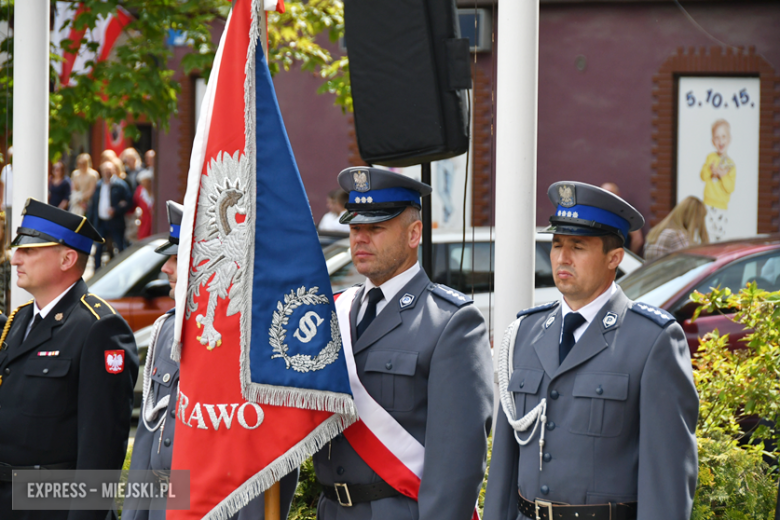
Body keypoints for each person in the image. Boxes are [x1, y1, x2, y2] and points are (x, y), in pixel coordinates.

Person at [483, 181, 699, 520]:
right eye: (556, 244)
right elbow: (503, 468)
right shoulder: (524, 333)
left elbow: (666, 479)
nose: (562, 257)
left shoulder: (652, 340)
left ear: (614, 257)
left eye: (578, 246)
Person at [313, 167, 493, 520]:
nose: (360, 239)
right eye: (355, 228)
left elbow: (459, 463)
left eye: (375, 228)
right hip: (331, 510)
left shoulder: (451, 323)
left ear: (414, 234)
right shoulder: (334, 312)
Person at [123, 201, 298, 520]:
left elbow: (261, 459)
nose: (166, 269)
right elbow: (148, 441)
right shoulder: (167, 330)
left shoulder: (249, 343)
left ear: (206, 263)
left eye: (177, 258)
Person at [0, 198, 139, 519]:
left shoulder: (99, 328)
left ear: (67, 259)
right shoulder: (20, 320)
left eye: (29, 250)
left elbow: (101, 450)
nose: (15, 257)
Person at [87, 161, 132, 269]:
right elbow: (93, 204)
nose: (106, 173)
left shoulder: (120, 185)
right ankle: (97, 272)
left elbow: (129, 202)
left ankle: (123, 270)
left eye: (109, 171)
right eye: (104, 171)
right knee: (98, 249)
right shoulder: (99, 185)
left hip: (115, 222)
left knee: (120, 247)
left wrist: (116, 209)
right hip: (101, 222)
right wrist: (90, 221)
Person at [700, 119, 736, 242]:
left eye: (723, 137)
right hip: (708, 204)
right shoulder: (711, 158)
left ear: (729, 139)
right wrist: (710, 170)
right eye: (717, 138)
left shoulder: (731, 165)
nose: (720, 141)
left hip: (721, 207)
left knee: (720, 236)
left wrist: (722, 175)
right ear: (712, 141)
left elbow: (730, 188)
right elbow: (703, 176)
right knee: (707, 234)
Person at [644, 196, 709, 262]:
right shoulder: (678, 235)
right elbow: (687, 264)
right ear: (693, 218)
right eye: (701, 218)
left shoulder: (656, 232)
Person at [600, 182, 644, 255]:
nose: (607, 196)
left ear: (618, 194)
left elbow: (637, 239)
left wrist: (630, 256)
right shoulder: (597, 212)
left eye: (611, 193)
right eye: (604, 193)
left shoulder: (626, 213)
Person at [133, 170, 154, 240]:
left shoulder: (156, 191)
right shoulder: (139, 192)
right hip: (144, 222)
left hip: (155, 222)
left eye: (148, 182)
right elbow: (134, 204)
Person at [1, 146, 12, 233]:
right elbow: (2, 186)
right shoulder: (6, 169)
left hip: (17, 202)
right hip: (7, 203)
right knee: (7, 227)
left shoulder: (21, 170)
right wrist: (1, 202)